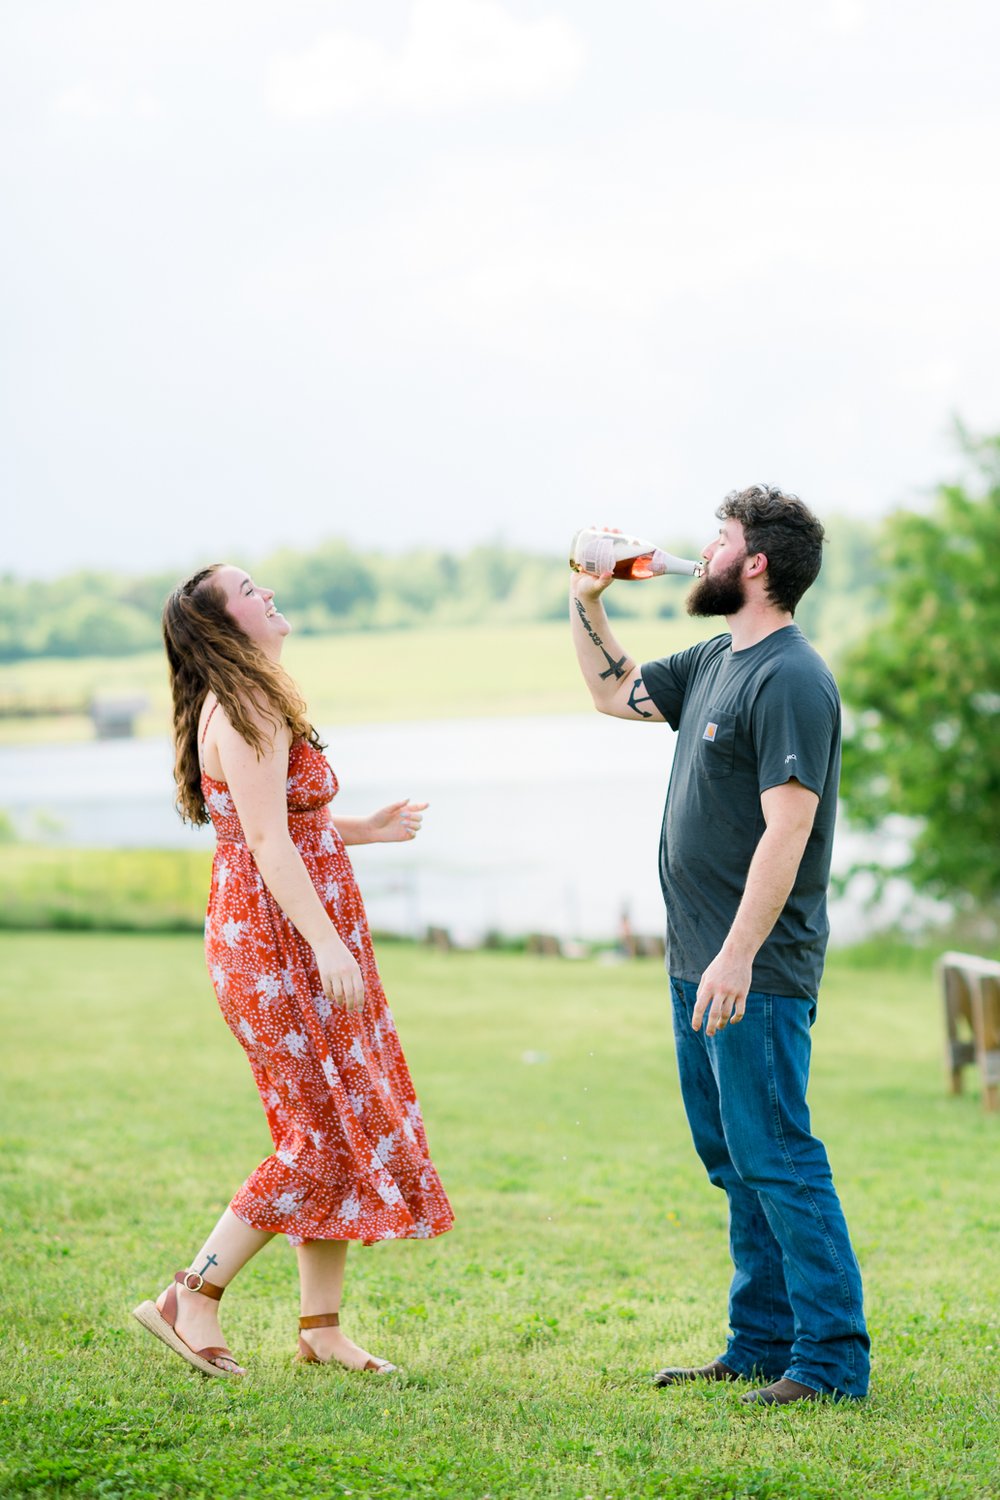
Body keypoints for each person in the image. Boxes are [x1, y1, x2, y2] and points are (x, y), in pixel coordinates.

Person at [569, 488, 869, 1406]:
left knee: (777, 1152)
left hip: (755, 969)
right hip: (696, 962)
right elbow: (615, 694)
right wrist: (587, 601)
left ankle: (828, 1365)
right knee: (734, 1158)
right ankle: (759, 1343)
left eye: (721, 540)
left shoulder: (792, 677)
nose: (701, 551)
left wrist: (739, 955)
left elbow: (788, 830)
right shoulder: (717, 658)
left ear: (757, 566)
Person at [133, 564, 453, 1379]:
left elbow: (279, 820)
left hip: (288, 933)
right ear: (223, 624)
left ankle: (320, 1329)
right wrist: (327, 944)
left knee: (334, 1125)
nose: (265, 591)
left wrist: (366, 832)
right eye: (247, 588)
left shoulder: (252, 697)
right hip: (278, 946)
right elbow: (268, 846)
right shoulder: (244, 706)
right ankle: (189, 1295)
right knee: (315, 1139)